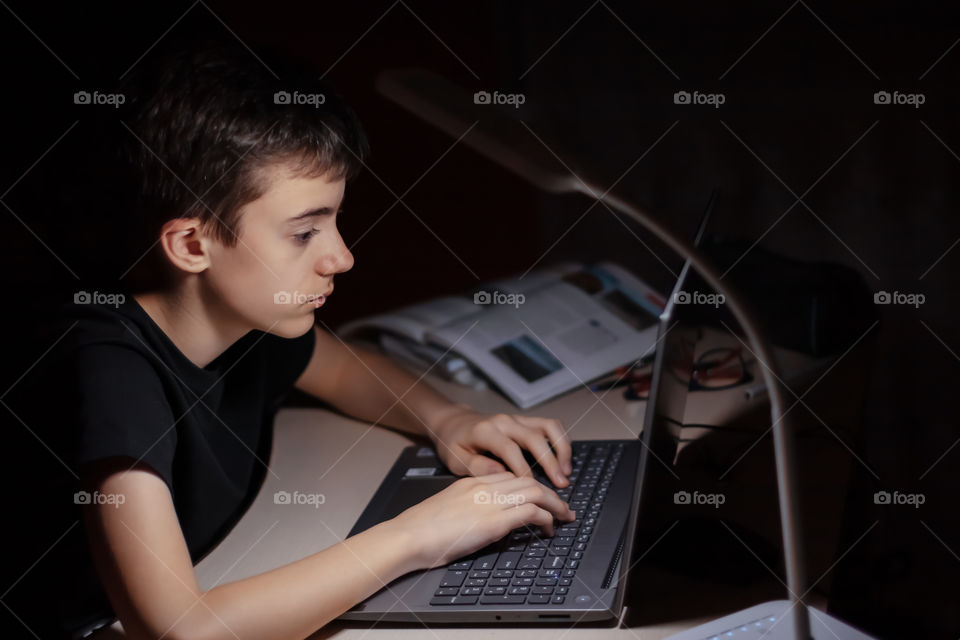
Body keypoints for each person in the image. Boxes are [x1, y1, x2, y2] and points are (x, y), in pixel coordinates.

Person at [3, 38, 575, 640]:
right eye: (304, 233)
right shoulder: (110, 370)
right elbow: (178, 630)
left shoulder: (248, 318)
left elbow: (347, 372)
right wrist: (418, 534)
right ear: (192, 245)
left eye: (334, 221)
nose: (342, 257)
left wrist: (449, 418)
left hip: (230, 566)